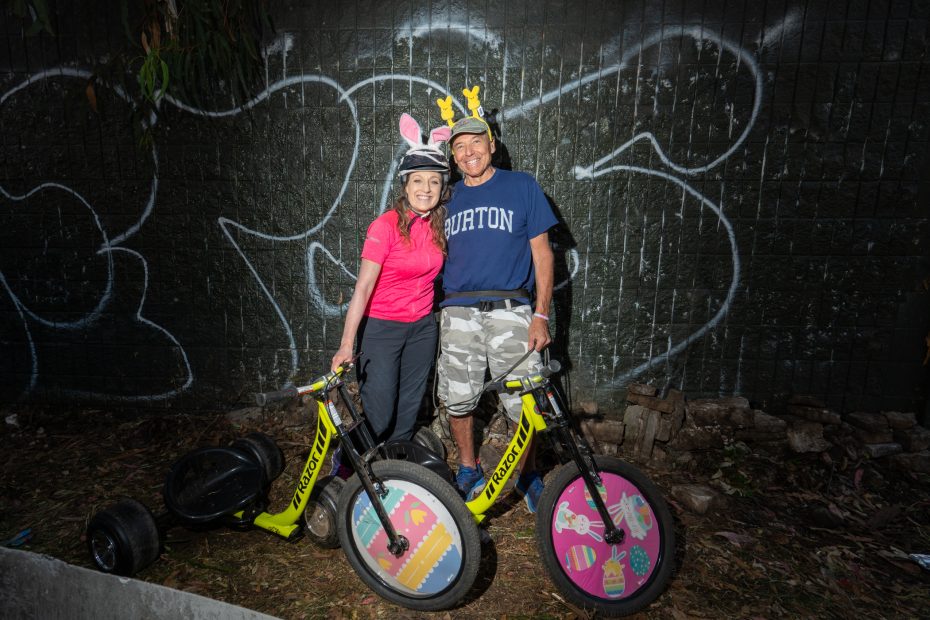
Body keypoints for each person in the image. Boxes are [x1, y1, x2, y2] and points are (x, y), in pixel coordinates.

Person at [436, 90, 557, 513]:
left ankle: (527, 475)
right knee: (458, 396)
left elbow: (543, 253)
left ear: (491, 145)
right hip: (457, 310)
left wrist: (540, 314)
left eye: (476, 143)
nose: (469, 152)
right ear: (453, 156)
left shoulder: (521, 186)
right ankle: (468, 468)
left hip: (512, 310)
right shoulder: (446, 197)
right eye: (460, 147)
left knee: (525, 398)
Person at [329, 113, 452, 477]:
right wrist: (346, 344)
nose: (426, 188)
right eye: (418, 181)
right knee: (379, 415)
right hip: (382, 329)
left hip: (422, 330)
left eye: (433, 181)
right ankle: (345, 471)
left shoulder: (440, 225)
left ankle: (394, 478)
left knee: (407, 413)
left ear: (442, 187)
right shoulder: (384, 226)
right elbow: (363, 287)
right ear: (405, 184)